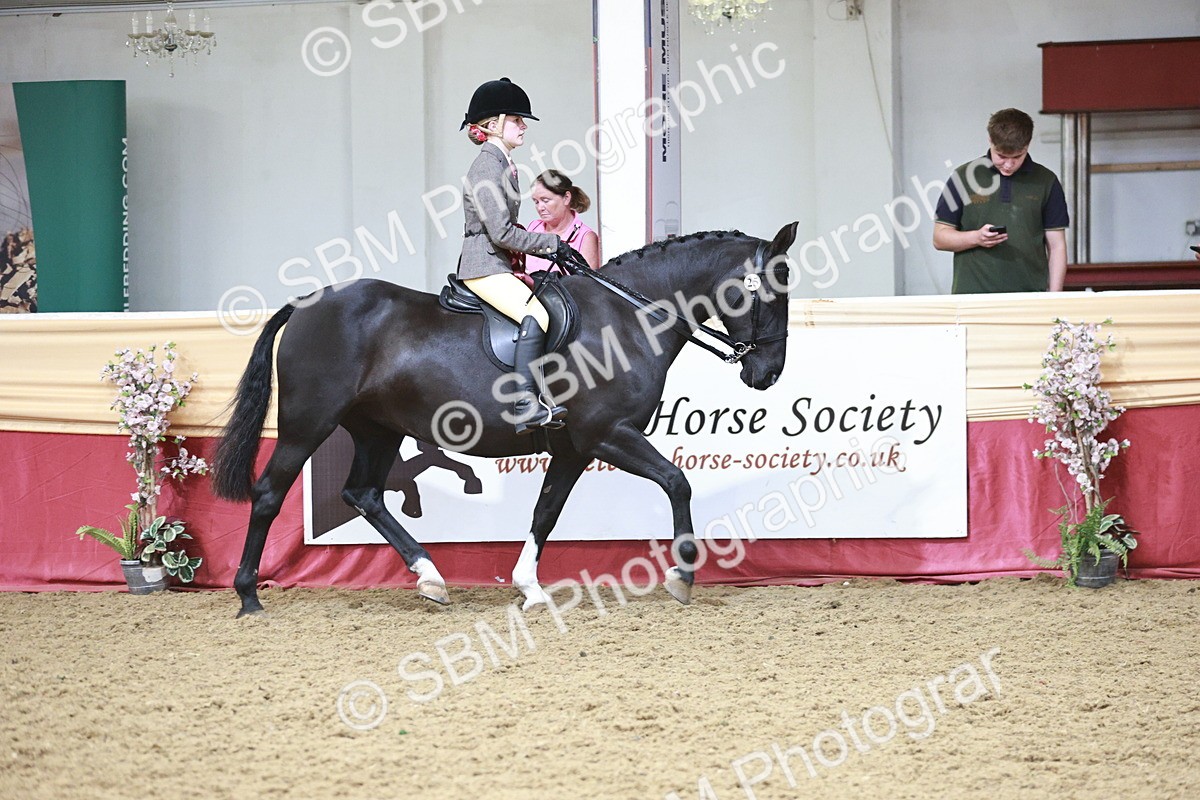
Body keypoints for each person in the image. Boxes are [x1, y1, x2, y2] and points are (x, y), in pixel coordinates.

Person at [457, 77, 574, 434]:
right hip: (482, 265)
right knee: (535, 312)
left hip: (498, 262)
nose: (523, 126)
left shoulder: (504, 163)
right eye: (516, 120)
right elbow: (501, 233)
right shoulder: (487, 166)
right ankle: (524, 403)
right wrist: (552, 244)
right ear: (493, 125)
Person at [933, 108, 1069, 294]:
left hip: (1029, 297)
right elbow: (940, 238)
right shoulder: (962, 177)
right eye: (1001, 156)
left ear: (1027, 145)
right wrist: (976, 238)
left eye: (1017, 157)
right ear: (990, 140)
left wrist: (1054, 298)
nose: (1008, 165)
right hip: (971, 298)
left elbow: (1057, 246)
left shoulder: (1046, 181)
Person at [524, 170, 601, 272]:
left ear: (566, 198)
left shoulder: (586, 237)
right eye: (536, 202)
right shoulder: (534, 227)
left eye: (545, 200)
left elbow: (587, 284)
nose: (540, 207)